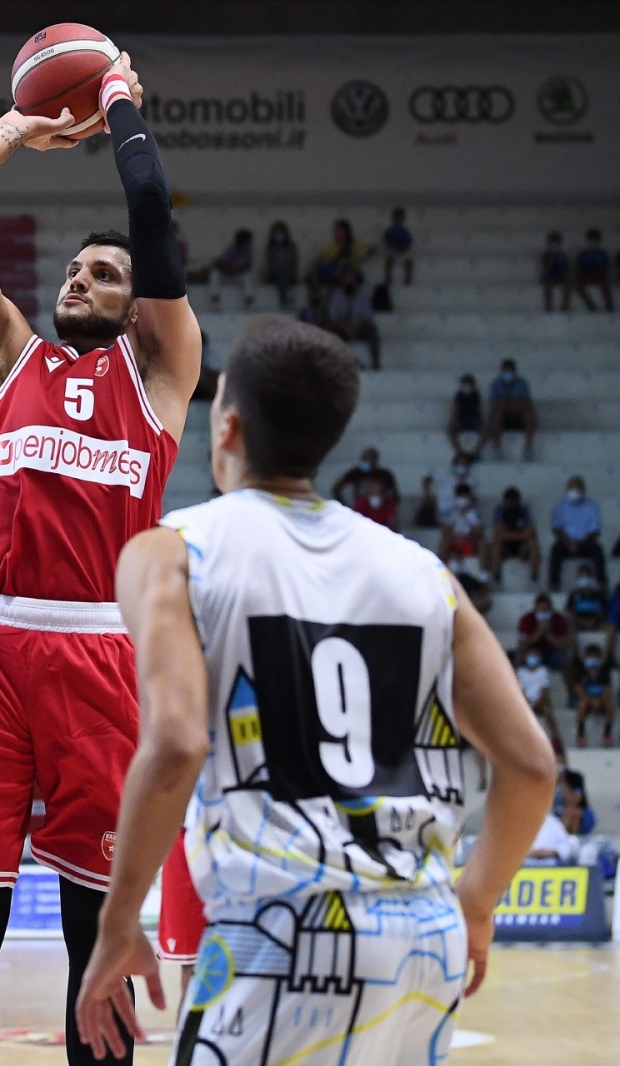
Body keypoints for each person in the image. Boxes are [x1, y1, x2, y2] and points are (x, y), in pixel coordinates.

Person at [71, 315, 556, 1064]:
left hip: (283, 931)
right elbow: (530, 766)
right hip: (423, 941)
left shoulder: (171, 552)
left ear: (225, 428)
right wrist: (476, 907)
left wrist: (118, 922)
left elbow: (175, 743)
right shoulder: (425, 574)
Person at [0, 55, 202, 1066]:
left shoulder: (161, 374)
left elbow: (154, 207)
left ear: (137, 306)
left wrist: (116, 98)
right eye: (75, 268)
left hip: (99, 656)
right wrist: (17, 126)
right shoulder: (1, 353)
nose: (80, 278)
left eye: (106, 274)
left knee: (98, 937)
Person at [550, 475, 605, 590]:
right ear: (567, 489)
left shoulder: (592, 506)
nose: (575, 491)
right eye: (572, 488)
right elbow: (557, 529)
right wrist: (569, 543)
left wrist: (581, 544)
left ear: (583, 489)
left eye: (578, 488)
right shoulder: (560, 506)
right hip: (566, 543)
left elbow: (594, 530)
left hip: (585, 543)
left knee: (597, 550)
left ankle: (602, 582)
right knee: (555, 550)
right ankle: (554, 583)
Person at [325, 269, 380, 370]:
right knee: (330, 330)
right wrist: (346, 328)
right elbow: (333, 317)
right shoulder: (337, 296)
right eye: (348, 279)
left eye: (352, 279)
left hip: (359, 329)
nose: (350, 281)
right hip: (343, 329)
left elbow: (367, 317)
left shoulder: (362, 297)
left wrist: (356, 328)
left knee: (371, 329)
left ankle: (375, 363)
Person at [485, 358, 537, 459]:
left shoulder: (522, 383)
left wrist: (506, 405)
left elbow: (525, 403)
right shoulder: (496, 384)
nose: (507, 374)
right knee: (496, 413)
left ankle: (528, 448)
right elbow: (495, 404)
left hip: (518, 418)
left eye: (510, 371)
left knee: (529, 413)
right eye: (505, 371)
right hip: (502, 419)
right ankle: (497, 448)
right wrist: (513, 405)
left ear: (514, 372)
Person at [491, 487, 540, 582]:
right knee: (497, 543)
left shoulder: (524, 511)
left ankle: (534, 575)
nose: (511, 505)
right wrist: (521, 535)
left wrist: (511, 535)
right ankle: (496, 574)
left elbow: (531, 532)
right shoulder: (500, 511)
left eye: (513, 502)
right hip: (506, 545)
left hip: (522, 545)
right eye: (509, 502)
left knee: (532, 543)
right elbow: (500, 534)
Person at [518, 593, 574, 676]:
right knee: (519, 659)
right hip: (533, 652)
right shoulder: (527, 619)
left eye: (546, 609)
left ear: (551, 609)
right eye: (540, 609)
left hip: (553, 653)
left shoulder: (559, 619)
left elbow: (563, 645)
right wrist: (538, 633)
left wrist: (548, 634)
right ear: (535, 608)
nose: (543, 612)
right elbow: (522, 645)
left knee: (566, 662)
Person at [309, 218, 373, 289]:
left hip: (350, 272)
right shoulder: (332, 246)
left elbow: (371, 249)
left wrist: (360, 259)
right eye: (336, 231)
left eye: (340, 231)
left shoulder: (354, 243)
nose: (337, 233)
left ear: (346, 232)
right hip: (335, 272)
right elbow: (318, 259)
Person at [573, 644, 614, 748]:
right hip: (587, 701)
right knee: (582, 704)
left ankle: (607, 735)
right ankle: (581, 734)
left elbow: (606, 690)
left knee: (609, 704)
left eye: (595, 657)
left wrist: (599, 701)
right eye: (590, 657)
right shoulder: (581, 672)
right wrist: (590, 700)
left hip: (601, 701)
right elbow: (578, 689)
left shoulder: (604, 673)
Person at [330, 446, 397, 508]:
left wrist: (388, 507)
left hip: (380, 511)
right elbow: (337, 488)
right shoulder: (356, 472)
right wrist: (344, 505)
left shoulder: (384, 475)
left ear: (375, 461)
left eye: (368, 460)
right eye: (363, 459)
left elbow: (395, 496)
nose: (365, 462)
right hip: (361, 509)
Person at [205, 228, 255, 309]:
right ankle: (214, 298)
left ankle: (249, 299)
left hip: (238, 275)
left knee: (247, 276)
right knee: (215, 274)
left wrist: (239, 268)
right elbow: (220, 263)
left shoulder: (248, 251)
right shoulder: (231, 249)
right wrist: (229, 267)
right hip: (227, 275)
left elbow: (248, 265)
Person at [518, 650, 558, 747]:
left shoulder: (543, 671)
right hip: (525, 701)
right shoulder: (521, 672)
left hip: (540, 701)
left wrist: (536, 703)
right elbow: (520, 690)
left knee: (547, 711)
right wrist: (527, 702)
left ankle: (555, 737)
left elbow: (545, 690)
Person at [440, 484, 486, 560]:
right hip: (455, 541)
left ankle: (483, 571)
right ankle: (441, 567)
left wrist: (469, 535)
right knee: (444, 542)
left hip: (470, 541)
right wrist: (455, 536)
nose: (462, 500)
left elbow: (479, 529)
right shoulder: (452, 513)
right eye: (460, 496)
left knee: (483, 543)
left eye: (464, 497)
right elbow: (446, 529)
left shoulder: (473, 513)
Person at [572, 228, 613, 312]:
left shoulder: (602, 254)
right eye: (591, 239)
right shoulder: (583, 254)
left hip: (599, 277)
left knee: (606, 283)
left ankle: (609, 306)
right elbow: (578, 268)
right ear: (588, 240)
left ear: (599, 240)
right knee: (577, 284)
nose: (593, 241)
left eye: (595, 239)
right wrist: (583, 276)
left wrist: (600, 275)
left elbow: (605, 268)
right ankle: (590, 304)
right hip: (586, 277)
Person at [262, 221, 298, 309]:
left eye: (280, 232)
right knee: (279, 274)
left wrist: (290, 271)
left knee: (284, 275)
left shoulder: (291, 247)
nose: (278, 235)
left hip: (288, 274)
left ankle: (285, 298)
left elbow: (294, 263)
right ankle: (285, 299)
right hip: (275, 275)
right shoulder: (271, 247)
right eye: (276, 232)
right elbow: (269, 264)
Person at [447, 374, 483, 461]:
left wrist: (482, 423)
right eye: (465, 384)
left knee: (486, 430)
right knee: (450, 430)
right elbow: (455, 411)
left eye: (469, 384)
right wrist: (453, 422)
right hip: (462, 422)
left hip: (473, 422)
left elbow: (479, 410)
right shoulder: (459, 396)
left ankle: (476, 452)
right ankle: (460, 452)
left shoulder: (475, 396)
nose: (467, 387)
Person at [565, 564, 608, 632]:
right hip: (579, 622)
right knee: (570, 626)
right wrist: (582, 621)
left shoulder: (599, 594)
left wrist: (594, 620)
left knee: (609, 626)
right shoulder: (573, 594)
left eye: (586, 575)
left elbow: (604, 610)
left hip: (596, 622)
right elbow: (569, 610)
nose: (584, 578)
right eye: (581, 576)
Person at [382, 206, 414, 287]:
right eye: (396, 216)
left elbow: (409, 240)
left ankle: (408, 277)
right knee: (389, 258)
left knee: (408, 260)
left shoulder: (405, 229)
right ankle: (388, 276)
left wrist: (403, 247)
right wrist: (392, 246)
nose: (398, 218)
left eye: (400, 216)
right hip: (393, 247)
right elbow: (386, 238)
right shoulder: (391, 228)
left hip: (403, 248)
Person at [540, 231, 570, 313]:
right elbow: (546, 267)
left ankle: (565, 307)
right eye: (553, 242)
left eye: (556, 242)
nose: (554, 244)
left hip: (560, 276)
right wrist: (552, 257)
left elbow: (566, 267)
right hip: (549, 277)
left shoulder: (563, 255)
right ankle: (548, 307)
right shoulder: (546, 255)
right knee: (548, 286)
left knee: (568, 285)